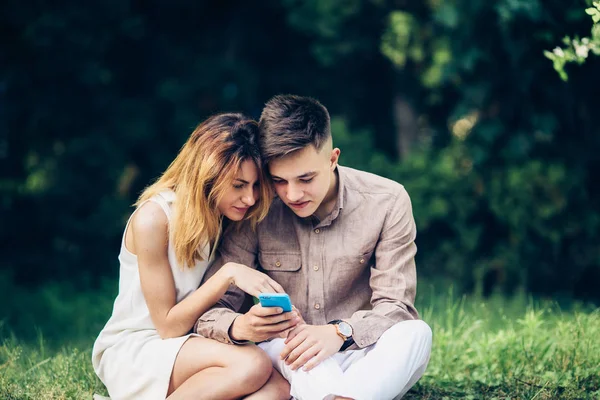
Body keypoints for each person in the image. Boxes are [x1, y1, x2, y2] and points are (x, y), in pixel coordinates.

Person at [194, 95, 433, 400]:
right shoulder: (256, 209)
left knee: (416, 333)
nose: (293, 194)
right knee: (290, 346)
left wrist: (339, 332)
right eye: (279, 180)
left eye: (306, 178)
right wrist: (241, 325)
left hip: (361, 350)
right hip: (289, 352)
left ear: (333, 159)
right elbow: (210, 314)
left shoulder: (387, 201)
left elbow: (396, 307)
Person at [92, 113, 295, 400]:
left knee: (278, 388)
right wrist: (229, 274)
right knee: (252, 364)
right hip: (139, 347)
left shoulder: (222, 215)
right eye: (238, 186)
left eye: (254, 186)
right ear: (207, 174)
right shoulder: (154, 218)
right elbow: (167, 326)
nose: (250, 199)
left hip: (190, 343)